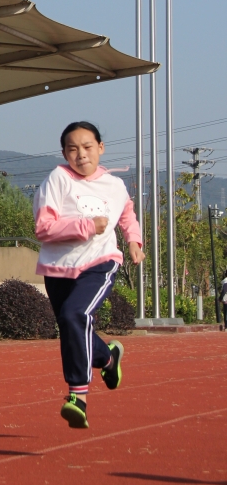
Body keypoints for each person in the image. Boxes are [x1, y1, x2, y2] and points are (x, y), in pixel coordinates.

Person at [33, 121, 145, 430]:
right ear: (64, 153)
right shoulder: (57, 180)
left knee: (74, 314)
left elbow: (126, 213)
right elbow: (43, 228)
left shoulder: (113, 184)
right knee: (72, 325)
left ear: (100, 148)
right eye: (73, 149)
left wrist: (133, 241)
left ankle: (77, 396)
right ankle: (108, 358)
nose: (81, 155)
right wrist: (86, 226)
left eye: (87, 147)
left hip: (100, 261)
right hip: (59, 268)